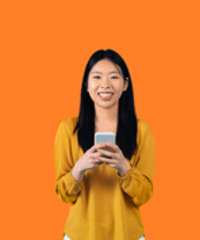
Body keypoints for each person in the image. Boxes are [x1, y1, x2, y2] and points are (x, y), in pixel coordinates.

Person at [54, 49, 153, 240]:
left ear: (125, 84)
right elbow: (63, 193)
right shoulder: (68, 129)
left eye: (114, 77)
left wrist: (124, 168)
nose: (105, 85)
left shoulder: (142, 131)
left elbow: (145, 195)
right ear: (86, 85)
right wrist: (79, 169)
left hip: (127, 234)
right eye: (97, 77)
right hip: (80, 235)